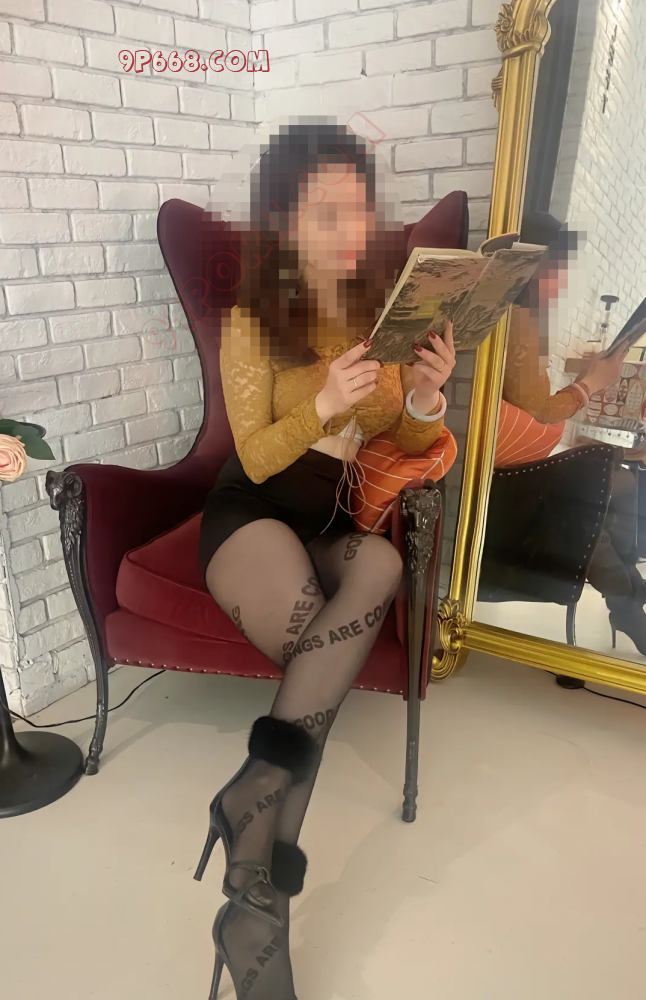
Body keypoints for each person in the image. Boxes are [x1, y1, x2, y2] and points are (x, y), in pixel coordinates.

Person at [196, 119, 456, 999]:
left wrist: (423, 397)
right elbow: (255, 455)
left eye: (361, 211)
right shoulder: (253, 317)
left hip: (324, 522)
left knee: (379, 567)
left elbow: (402, 438)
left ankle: (248, 815)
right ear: (285, 220)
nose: (354, 230)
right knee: (321, 654)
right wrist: (324, 404)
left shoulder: (380, 313)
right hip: (252, 513)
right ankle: (257, 901)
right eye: (329, 213)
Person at [501, 211, 646, 652]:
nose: (562, 281)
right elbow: (540, 411)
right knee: (593, 497)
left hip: (520, 462)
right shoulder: (518, 321)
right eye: (557, 269)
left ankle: (629, 593)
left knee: (621, 483)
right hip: (507, 476)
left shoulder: (526, 319)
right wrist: (589, 385)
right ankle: (627, 604)